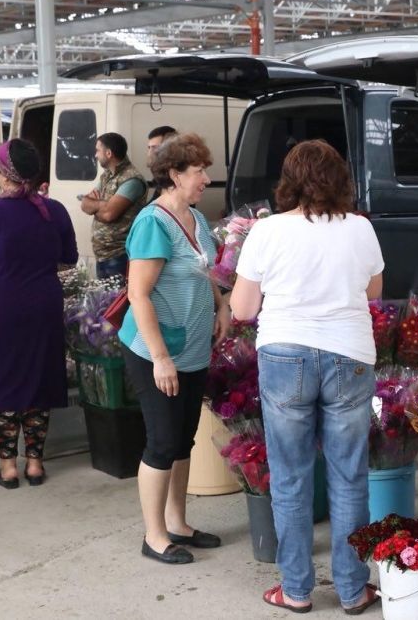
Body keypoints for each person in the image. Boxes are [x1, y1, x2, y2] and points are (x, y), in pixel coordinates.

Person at [230, 139, 384, 615]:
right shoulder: (360, 228)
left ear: (289, 182)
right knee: (349, 476)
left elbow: (242, 309)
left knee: (291, 477)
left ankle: (295, 590)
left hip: (285, 355)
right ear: (340, 180)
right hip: (349, 355)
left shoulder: (266, 231)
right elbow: (373, 291)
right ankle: (353, 590)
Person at [118, 133, 230, 564]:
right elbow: (138, 295)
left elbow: (205, 271)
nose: (206, 178)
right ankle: (154, 535)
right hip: (155, 351)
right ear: (174, 174)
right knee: (162, 442)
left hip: (193, 347)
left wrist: (221, 306)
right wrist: (161, 358)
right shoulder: (154, 223)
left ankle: (178, 523)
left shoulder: (196, 218)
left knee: (184, 439)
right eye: (198, 170)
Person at [0, 139, 78, 489]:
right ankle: (35, 464)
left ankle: (8, 468)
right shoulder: (54, 210)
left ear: (3, 173)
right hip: (43, 304)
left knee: (5, 379)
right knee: (38, 376)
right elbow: (68, 258)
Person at [81, 132, 148, 279]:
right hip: (103, 256)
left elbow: (109, 214)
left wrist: (96, 206)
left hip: (119, 256)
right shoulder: (106, 176)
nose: (95, 155)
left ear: (109, 153)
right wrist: (101, 205)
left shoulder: (131, 179)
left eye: (98, 150)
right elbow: (85, 204)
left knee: (118, 295)